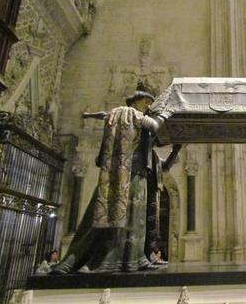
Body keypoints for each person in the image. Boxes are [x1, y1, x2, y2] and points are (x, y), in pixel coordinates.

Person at [52, 87, 180, 274]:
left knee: (136, 219)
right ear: (136, 102)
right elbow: (153, 126)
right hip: (129, 174)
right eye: (146, 102)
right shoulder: (131, 114)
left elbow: (104, 115)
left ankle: (137, 256)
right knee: (123, 216)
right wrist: (166, 114)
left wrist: (176, 150)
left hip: (134, 175)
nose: (148, 106)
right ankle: (106, 258)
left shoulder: (123, 120)